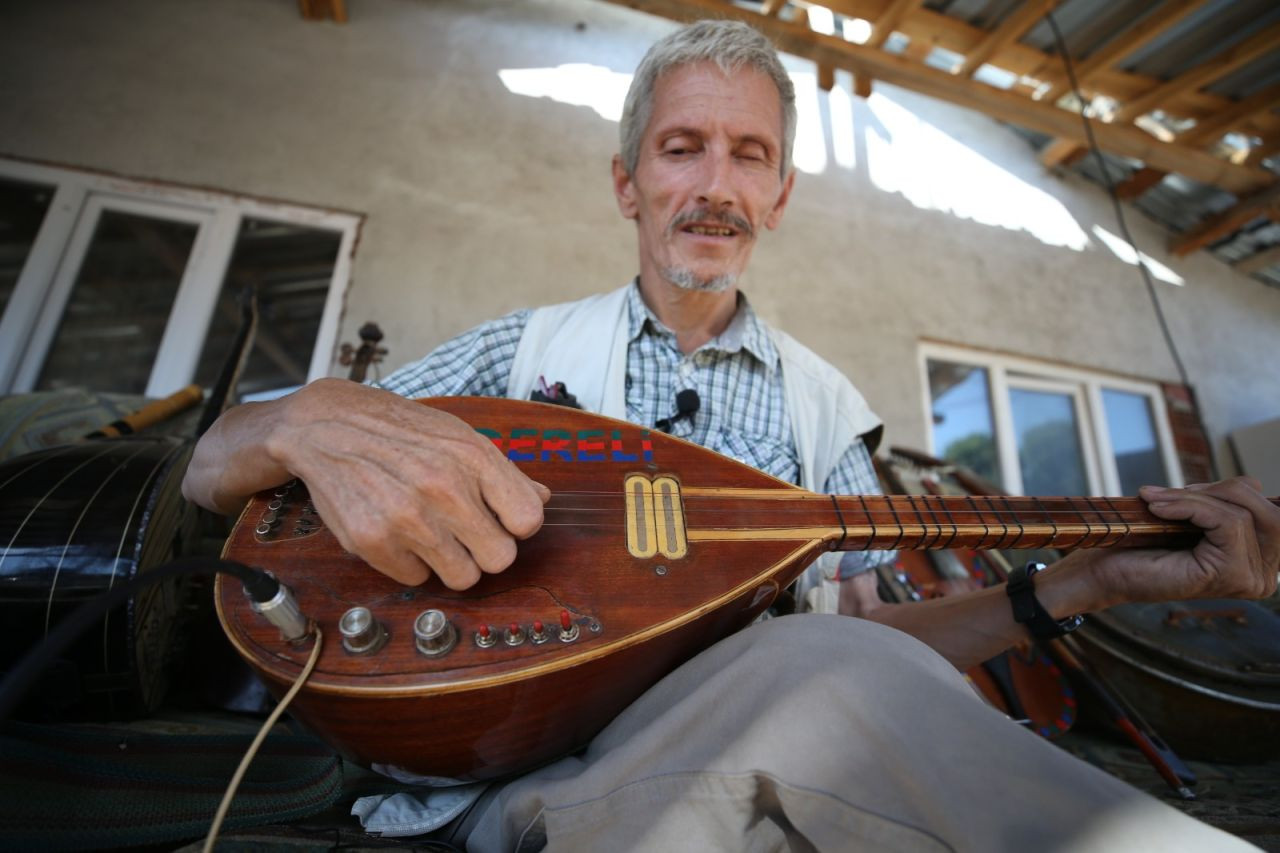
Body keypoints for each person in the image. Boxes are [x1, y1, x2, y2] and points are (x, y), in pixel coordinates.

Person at [183, 20, 1278, 851]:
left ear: (780, 194)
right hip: (492, 767)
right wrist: (304, 417)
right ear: (628, 181)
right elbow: (210, 468)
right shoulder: (517, 353)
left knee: (851, 663)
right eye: (681, 148)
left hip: (737, 747)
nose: (715, 185)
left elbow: (873, 654)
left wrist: (1080, 587)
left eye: (748, 154)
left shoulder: (823, 408)